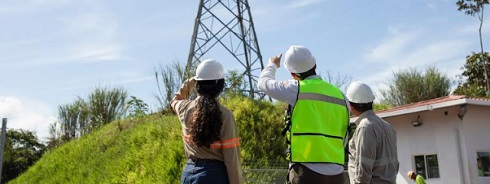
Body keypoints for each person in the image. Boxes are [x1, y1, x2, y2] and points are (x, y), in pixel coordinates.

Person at [258, 45, 350, 184]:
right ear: (315, 65)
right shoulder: (341, 96)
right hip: (336, 172)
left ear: (292, 73)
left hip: (305, 171)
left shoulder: (296, 89)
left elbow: (263, 83)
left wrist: (272, 65)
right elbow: (345, 134)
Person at [171, 59, 242, 184]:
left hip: (189, 173)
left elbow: (174, 100)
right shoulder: (225, 115)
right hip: (214, 175)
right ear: (220, 85)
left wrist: (191, 81)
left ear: (198, 84)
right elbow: (231, 159)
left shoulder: (184, 108)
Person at [346, 81, 399, 184]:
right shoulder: (387, 126)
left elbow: (363, 170)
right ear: (372, 102)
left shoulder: (365, 127)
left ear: (351, 106)